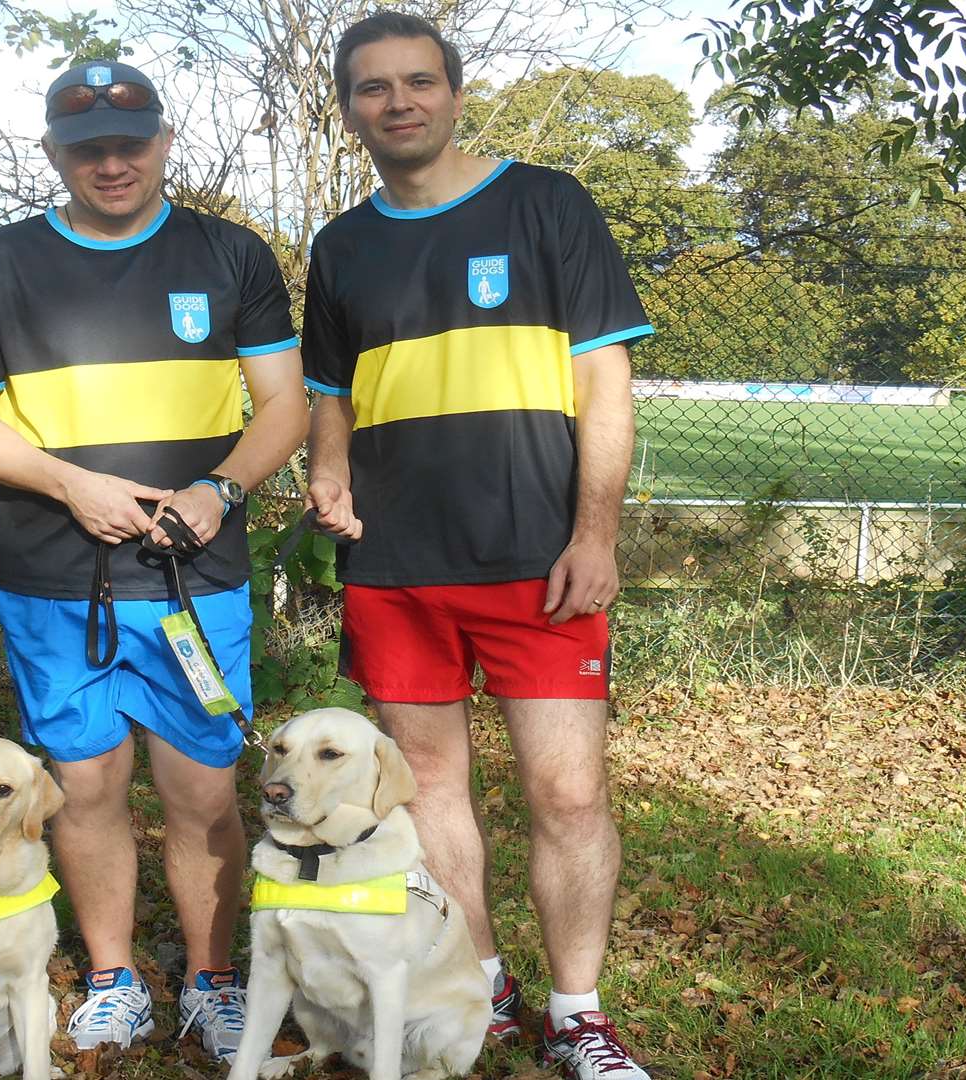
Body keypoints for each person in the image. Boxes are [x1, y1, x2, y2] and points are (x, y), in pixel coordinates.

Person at [0, 60, 307, 1064]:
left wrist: (217, 491)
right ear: (52, 152)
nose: (111, 163)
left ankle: (213, 980)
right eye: (86, 147)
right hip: (55, 583)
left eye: (130, 143)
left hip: (198, 582)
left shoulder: (231, 255)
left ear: (164, 142)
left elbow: (285, 406)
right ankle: (111, 980)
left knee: (205, 794)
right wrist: (70, 485)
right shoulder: (0, 263)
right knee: (86, 791)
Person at [301, 13, 655, 1079]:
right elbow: (330, 395)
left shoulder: (547, 202)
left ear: (455, 94)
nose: (398, 102)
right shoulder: (340, 245)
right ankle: (482, 981)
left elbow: (605, 383)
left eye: (418, 82)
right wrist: (327, 472)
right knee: (429, 791)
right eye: (374, 88)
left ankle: (578, 1015)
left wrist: (596, 531)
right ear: (350, 108)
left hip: (538, 559)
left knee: (569, 794)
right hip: (396, 570)